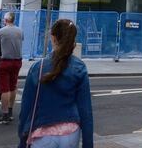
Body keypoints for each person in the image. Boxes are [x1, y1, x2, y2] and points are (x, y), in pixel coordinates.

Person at [18, 19, 93, 148]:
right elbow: (85, 111)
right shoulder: (80, 67)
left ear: (53, 38)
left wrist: (22, 136)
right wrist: (88, 144)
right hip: (70, 133)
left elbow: (26, 107)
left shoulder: (38, 67)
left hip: (42, 133)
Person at [0, 11, 24, 124]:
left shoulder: (1, 31)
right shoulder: (20, 31)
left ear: (5, 20)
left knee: (4, 89)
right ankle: (10, 111)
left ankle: (5, 115)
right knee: (13, 86)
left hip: (5, 61)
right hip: (18, 61)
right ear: (13, 20)